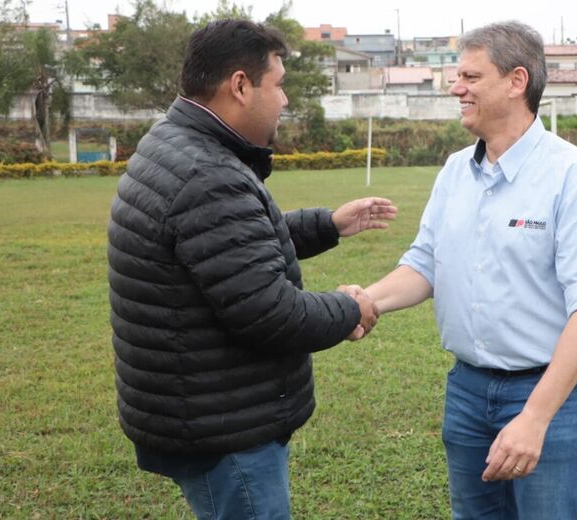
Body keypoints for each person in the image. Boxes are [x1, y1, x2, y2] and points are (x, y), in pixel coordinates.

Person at [107, 19, 396, 519]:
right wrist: (351, 307)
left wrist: (327, 225)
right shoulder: (208, 174)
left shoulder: (174, 142)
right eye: (278, 85)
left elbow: (228, 245)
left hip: (197, 410)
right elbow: (270, 311)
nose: (285, 100)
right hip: (223, 427)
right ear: (240, 85)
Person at [359, 20, 577, 519]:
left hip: (553, 393)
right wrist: (367, 301)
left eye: (471, 77)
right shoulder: (456, 170)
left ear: (516, 81)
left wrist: (535, 418)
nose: (456, 88)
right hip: (468, 390)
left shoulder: (574, 178)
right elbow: (424, 264)